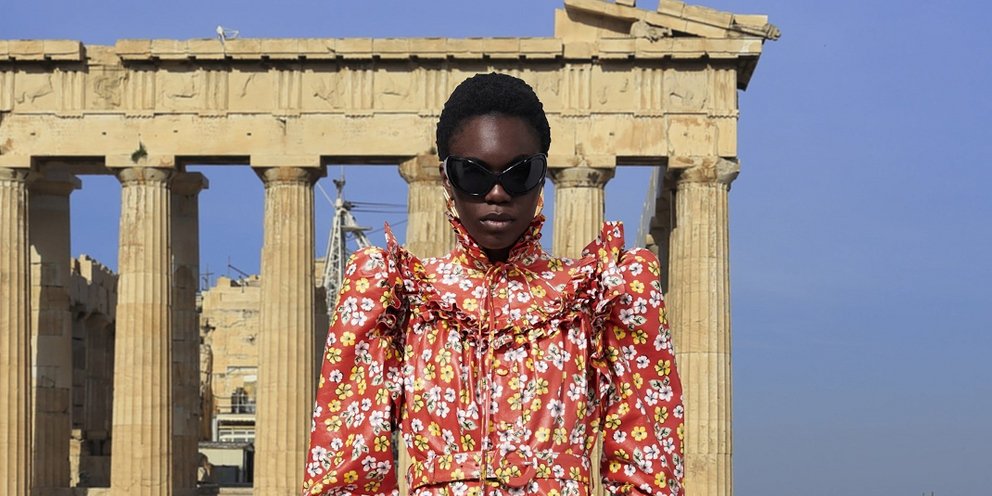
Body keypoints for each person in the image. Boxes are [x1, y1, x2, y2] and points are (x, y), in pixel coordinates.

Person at [302, 73, 684, 496]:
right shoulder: (395, 293)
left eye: (520, 174)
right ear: (446, 178)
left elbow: (648, 472)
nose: (498, 192)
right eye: (473, 174)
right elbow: (349, 473)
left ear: (542, 176)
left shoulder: (605, 292)